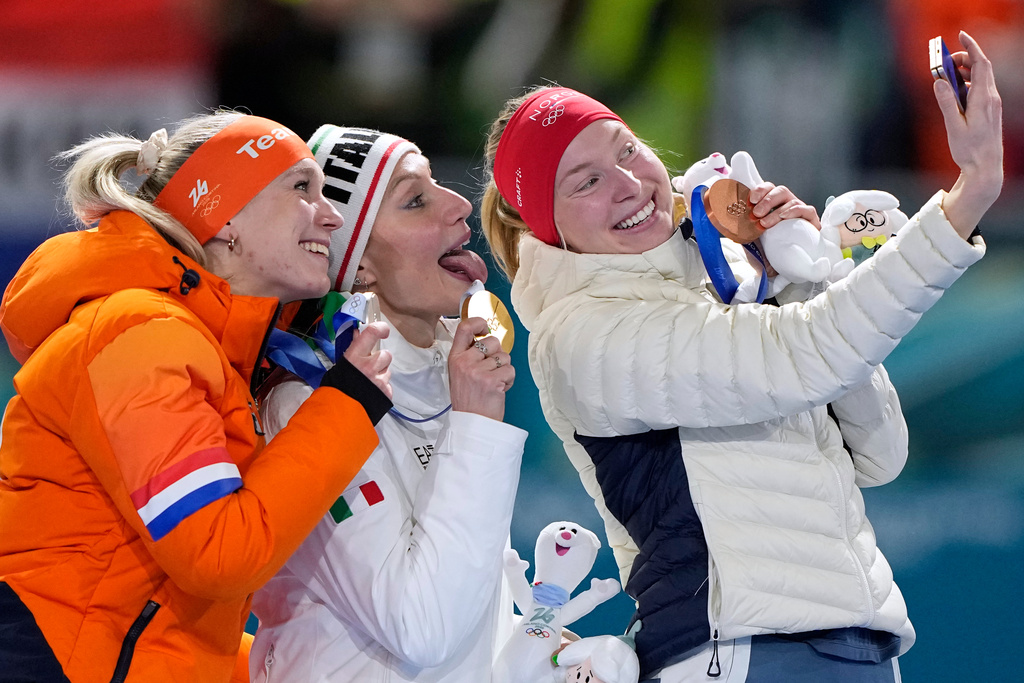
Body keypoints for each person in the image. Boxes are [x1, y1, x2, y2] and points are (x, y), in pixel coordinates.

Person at [479, 32, 1002, 682]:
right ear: (547, 227)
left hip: (857, 638)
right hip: (731, 652)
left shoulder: (722, 270)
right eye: (586, 180)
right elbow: (804, 359)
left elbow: (880, 450)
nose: (626, 183)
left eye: (626, 150)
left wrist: (801, 272)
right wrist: (964, 200)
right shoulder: (580, 336)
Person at [0, 112, 394, 683]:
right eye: (302, 188)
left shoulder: (207, 347)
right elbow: (218, 553)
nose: (330, 217)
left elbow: (162, 614)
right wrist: (349, 402)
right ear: (225, 214)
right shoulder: (138, 334)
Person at [248, 125, 527, 682]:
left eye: (437, 186)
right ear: (358, 266)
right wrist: (474, 425)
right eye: (414, 200)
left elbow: (465, 601)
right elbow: (421, 625)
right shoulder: (305, 399)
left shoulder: (452, 363)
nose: (458, 207)